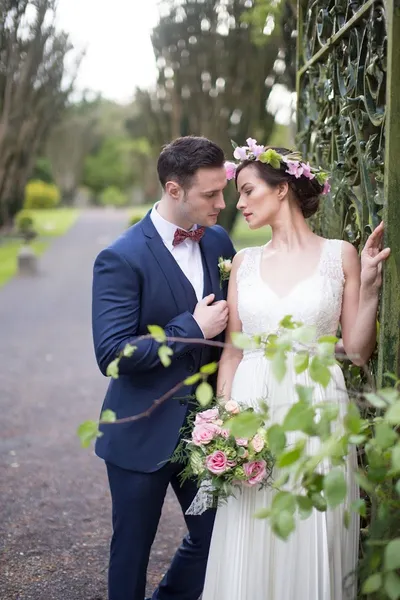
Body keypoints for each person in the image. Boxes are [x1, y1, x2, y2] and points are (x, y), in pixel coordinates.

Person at [202, 142, 390, 600]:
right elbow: (232, 352)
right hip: (253, 409)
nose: (238, 203)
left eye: (247, 191)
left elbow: (360, 352)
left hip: (317, 408)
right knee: (252, 529)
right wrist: (225, 419)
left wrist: (367, 287)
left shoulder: (338, 254)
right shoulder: (244, 263)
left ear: (282, 189)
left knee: (311, 525)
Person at [91, 136, 235, 600]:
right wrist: (189, 326)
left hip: (205, 431)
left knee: (217, 540)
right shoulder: (121, 257)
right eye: (209, 195)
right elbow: (112, 354)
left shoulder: (218, 240)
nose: (222, 202)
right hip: (140, 431)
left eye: (222, 190)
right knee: (131, 551)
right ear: (174, 190)